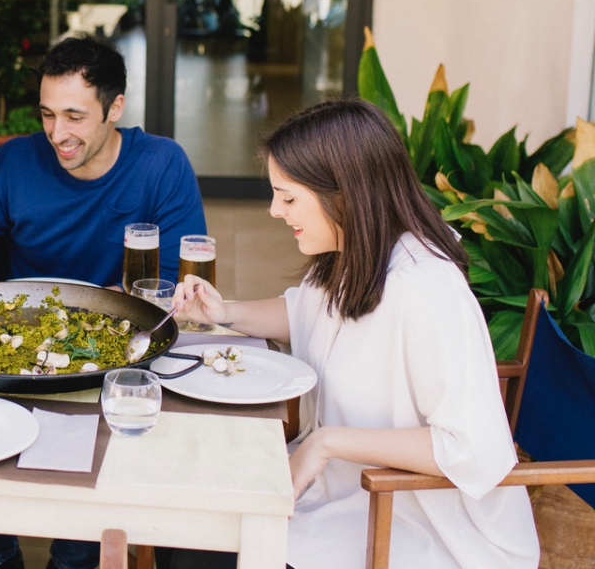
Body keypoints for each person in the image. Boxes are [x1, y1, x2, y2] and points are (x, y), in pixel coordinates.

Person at [163, 99, 539, 569]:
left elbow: (472, 448)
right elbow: (305, 314)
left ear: (343, 195)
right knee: (187, 526)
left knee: (201, 553)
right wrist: (224, 311)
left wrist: (327, 443)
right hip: (348, 494)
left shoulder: (425, 286)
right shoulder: (355, 251)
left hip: (416, 527)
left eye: (289, 197)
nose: (275, 211)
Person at [0, 35, 207, 569]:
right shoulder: (14, 162)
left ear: (115, 108)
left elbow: (180, 282)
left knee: (92, 487)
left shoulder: (161, 164)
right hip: (13, 353)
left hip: (112, 359)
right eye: (47, 115)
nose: (57, 134)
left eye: (74, 117)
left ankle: (74, 559)